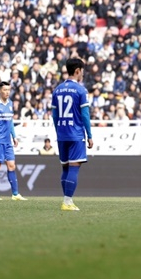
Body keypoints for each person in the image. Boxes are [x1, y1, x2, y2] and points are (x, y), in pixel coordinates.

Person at [51, 58, 94, 211]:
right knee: (74, 168)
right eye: (82, 70)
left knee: (65, 168)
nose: (83, 73)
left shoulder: (57, 89)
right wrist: (89, 135)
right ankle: (67, 202)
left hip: (62, 134)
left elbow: (54, 116)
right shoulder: (81, 90)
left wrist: (58, 131)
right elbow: (85, 115)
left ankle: (66, 200)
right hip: (75, 134)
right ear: (77, 71)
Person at [0, 81, 27, 201]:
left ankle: (15, 194)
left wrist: (14, 136)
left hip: (8, 141)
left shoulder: (10, 104)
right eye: (5, 90)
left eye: (9, 89)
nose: (7, 92)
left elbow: (11, 121)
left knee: (12, 165)